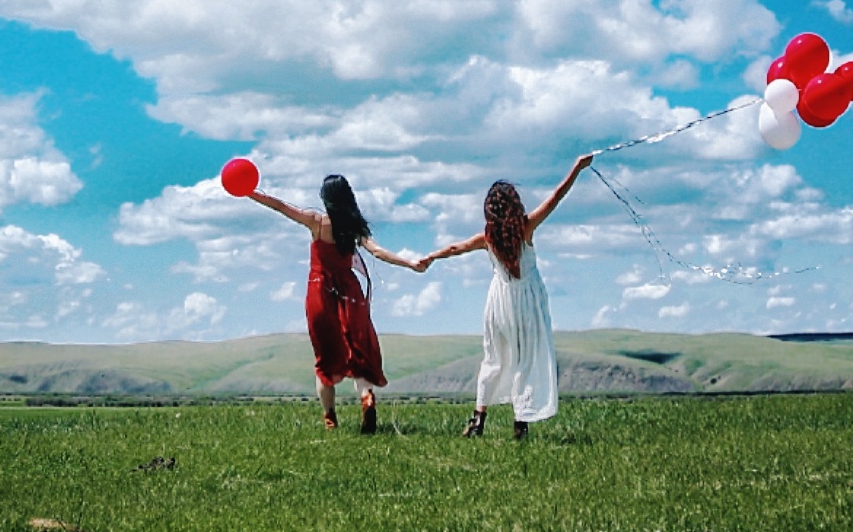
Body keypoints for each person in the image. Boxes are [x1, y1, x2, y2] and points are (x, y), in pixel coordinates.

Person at [422, 152, 595, 441]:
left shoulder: (488, 237)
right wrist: (577, 168)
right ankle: (520, 422)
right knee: (525, 359)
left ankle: (479, 418)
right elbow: (556, 197)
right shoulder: (525, 227)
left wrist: (430, 257)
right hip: (526, 301)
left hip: (499, 301)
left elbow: (455, 248)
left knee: (494, 357)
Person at [244, 173, 427, 432]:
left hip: (320, 291)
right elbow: (377, 251)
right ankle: (366, 397)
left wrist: (250, 192)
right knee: (359, 353)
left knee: (325, 357)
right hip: (350, 292)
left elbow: (281, 206)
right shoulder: (354, 227)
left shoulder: (316, 221)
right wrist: (409, 263)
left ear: (325, 198)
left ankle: (330, 418)